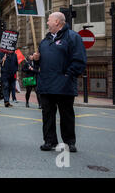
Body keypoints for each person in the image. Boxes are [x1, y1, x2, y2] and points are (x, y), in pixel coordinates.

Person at [33, 12, 87, 153]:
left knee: (66, 115)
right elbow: (38, 66)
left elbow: (79, 60)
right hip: (46, 85)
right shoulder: (44, 41)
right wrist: (36, 60)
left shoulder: (73, 37)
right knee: (47, 115)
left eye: (49, 20)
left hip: (64, 84)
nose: (47, 23)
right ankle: (49, 141)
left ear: (57, 22)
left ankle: (69, 142)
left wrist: (68, 75)